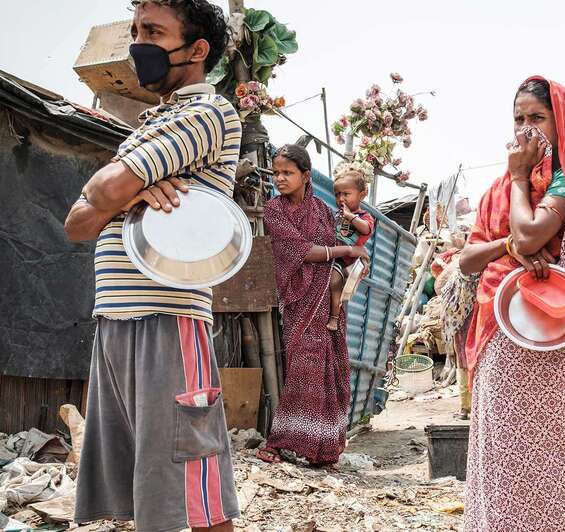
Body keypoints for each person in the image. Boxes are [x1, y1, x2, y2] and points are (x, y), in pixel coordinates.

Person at [63, 1, 241, 530]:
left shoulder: (206, 114)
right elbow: (76, 223)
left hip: (168, 318)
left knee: (197, 487)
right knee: (145, 498)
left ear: (197, 49)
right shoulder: (148, 126)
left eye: (154, 32)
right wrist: (127, 192)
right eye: (136, 30)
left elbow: (101, 190)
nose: (138, 43)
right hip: (115, 319)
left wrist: (119, 190)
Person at [458, 76, 565, 532]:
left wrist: (521, 177)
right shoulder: (497, 189)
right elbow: (467, 260)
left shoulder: (564, 181)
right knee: (503, 450)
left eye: (537, 118)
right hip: (502, 333)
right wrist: (508, 247)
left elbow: (530, 233)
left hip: (554, 338)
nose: (526, 129)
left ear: (560, 124)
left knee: (556, 448)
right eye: (519, 119)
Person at [257, 145, 369, 466]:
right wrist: (345, 253)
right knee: (303, 370)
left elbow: (338, 243)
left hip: (327, 301)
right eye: (276, 173)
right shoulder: (274, 210)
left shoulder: (322, 209)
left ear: (306, 176)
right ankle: (280, 442)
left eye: (287, 173)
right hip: (300, 300)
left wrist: (355, 258)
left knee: (328, 371)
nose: (279, 179)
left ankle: (322, 449)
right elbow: (301, 251)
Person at [327, 161, 375, 331]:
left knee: (334, 283)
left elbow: (366, 228)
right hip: (334, 256)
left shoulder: (364, 216)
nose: (341, 198)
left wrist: (350, 216)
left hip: (347, 262)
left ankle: (334, 317)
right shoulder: (336, 215)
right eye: (337, 194)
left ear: (362, 195)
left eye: (346, 194)